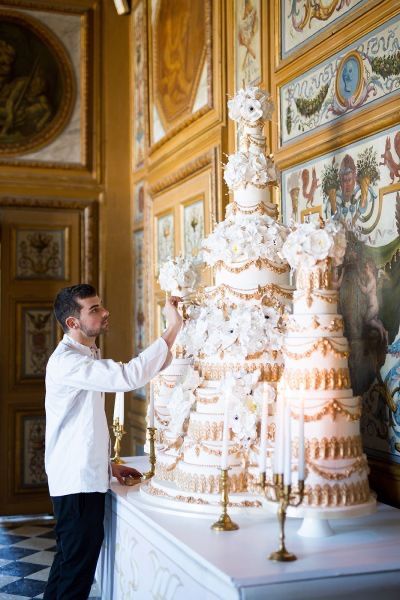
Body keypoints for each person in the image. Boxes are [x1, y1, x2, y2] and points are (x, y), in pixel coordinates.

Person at [43, 283, 182, 600]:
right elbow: (129, 377)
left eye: (101, 305)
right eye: (94, 309)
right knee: (74, 574)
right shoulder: (68, 361)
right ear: (73, 323)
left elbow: (80, 426)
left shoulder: (85, 355)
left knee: (69, 566)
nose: (105, 313)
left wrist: (107, 465)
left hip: (83, 475)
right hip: (77, 482)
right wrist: (173, 327)